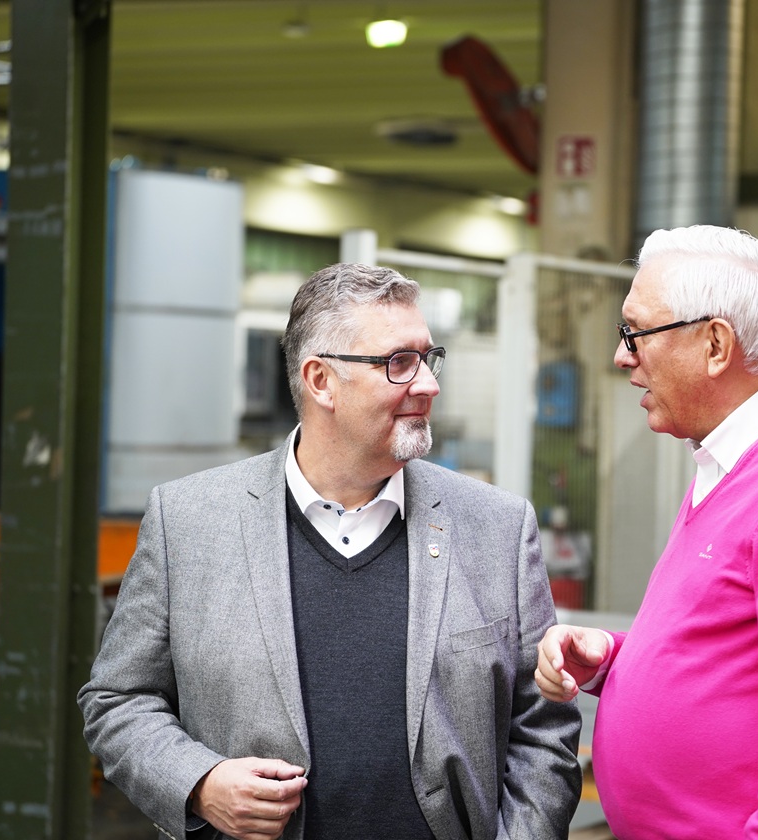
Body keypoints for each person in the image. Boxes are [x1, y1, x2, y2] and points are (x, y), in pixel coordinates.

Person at [80, 263, 582, 840]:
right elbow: (118, 699)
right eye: (399, 362)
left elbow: (543, 729)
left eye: (428, 356)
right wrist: (201, 782)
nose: (428, 384)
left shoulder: (496, 527)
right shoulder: (188, 521)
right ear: (320, 381)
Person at [536, 225, 758, 839]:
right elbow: (730, 653)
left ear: (714, 345)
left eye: (636, 333)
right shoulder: (732, 464)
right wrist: (614, 661)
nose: (623, 355)